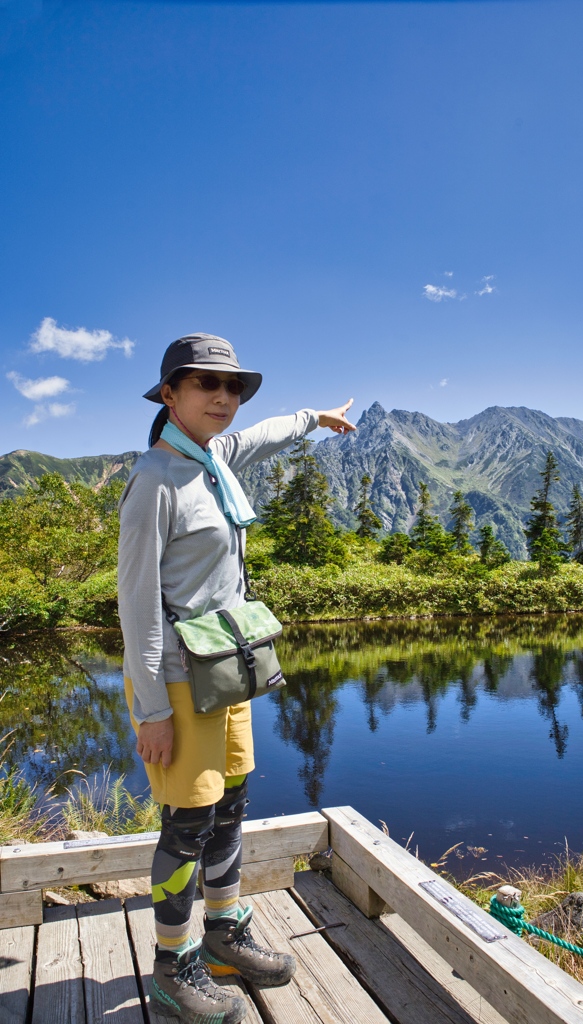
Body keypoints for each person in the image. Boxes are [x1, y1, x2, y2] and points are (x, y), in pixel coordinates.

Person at [118, 333, 355, 1024]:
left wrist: (314, 418)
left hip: (225, 670)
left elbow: (263, 435)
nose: (223, 397)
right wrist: (152, 710)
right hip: (176, 681)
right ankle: (173, 965)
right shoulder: (155, 480)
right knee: (186, 822)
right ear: (170, 394)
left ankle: (224, 934)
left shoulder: (214, 457)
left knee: (229, 805)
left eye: (232, 387)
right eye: (205, 384)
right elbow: (136, 607)